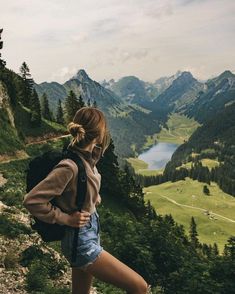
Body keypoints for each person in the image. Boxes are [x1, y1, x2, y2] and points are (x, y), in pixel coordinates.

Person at [23, 106, 149, 294]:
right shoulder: (70, 166)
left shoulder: (86, 159)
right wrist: (64, 218)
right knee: (139, 287)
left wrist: (92, 197)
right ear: (98, 135)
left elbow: (80, 187)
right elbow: (32, 200)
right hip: (80, 241)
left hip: (88, 235)